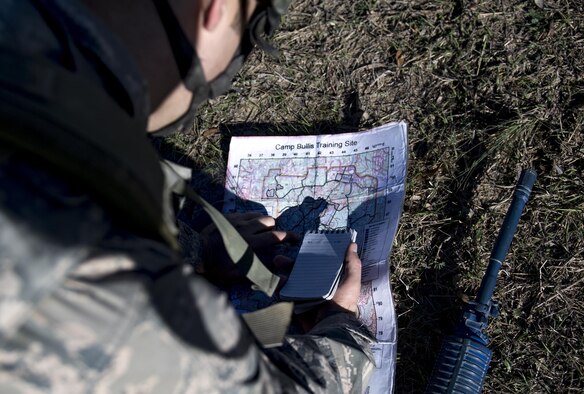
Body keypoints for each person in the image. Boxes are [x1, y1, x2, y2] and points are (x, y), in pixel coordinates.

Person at [0, 0, 376, 392]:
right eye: (247, 40)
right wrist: (338, 328)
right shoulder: (79, 259)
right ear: (215, 9)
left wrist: (195, 252)